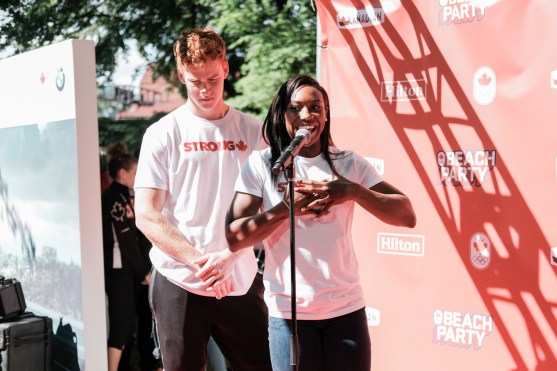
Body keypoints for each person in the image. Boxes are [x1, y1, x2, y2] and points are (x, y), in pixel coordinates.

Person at [225, 74, 417, 371]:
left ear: (326, 115)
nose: (306, 116)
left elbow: (406, 215)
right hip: (289, 317)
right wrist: (285, 210)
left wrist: (352, 191)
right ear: (281, 114)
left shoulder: (348, 163)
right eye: (295, 108)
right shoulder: (263, 165)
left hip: (345, 312)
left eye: (315, 107)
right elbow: (235, 236)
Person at [134, 28, 272, 371]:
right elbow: (147, 214)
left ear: (225, 68)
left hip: (239, 278)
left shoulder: (255, 133)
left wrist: (229, 256)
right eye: (195, 81)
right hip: (179, 280)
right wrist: (202, 263)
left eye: (212, 78)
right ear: (181, 75)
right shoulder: (162, 133)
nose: (205, 89)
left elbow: (273, 210)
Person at [101, 142, 152, 371]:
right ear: (123, 173)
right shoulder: (113, 198)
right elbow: (125, 241)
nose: (137, 176)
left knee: (129, 324)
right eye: (134, 172)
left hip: (128, 272)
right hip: (117, 271)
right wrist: (144, 270)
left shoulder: (124, 197)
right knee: (121, 327)